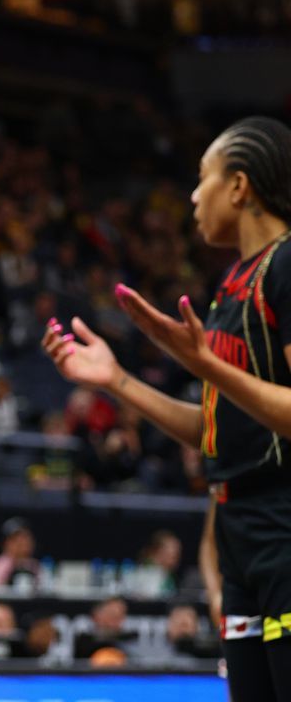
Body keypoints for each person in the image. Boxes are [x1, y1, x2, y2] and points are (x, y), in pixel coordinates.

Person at [43, 116, 291, 701]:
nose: (192, 195)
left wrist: (207, 366)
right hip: (238, 530)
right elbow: (214, 432)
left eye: (202, 178)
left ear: (239, 186)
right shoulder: (230, 286)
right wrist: (117, 381)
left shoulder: (286, 266)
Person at [0, 517, 40, 586]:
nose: (23, 543)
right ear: (7, 543)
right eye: (17, 539)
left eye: (26, 538)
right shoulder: (1, 564)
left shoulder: (34, 565)